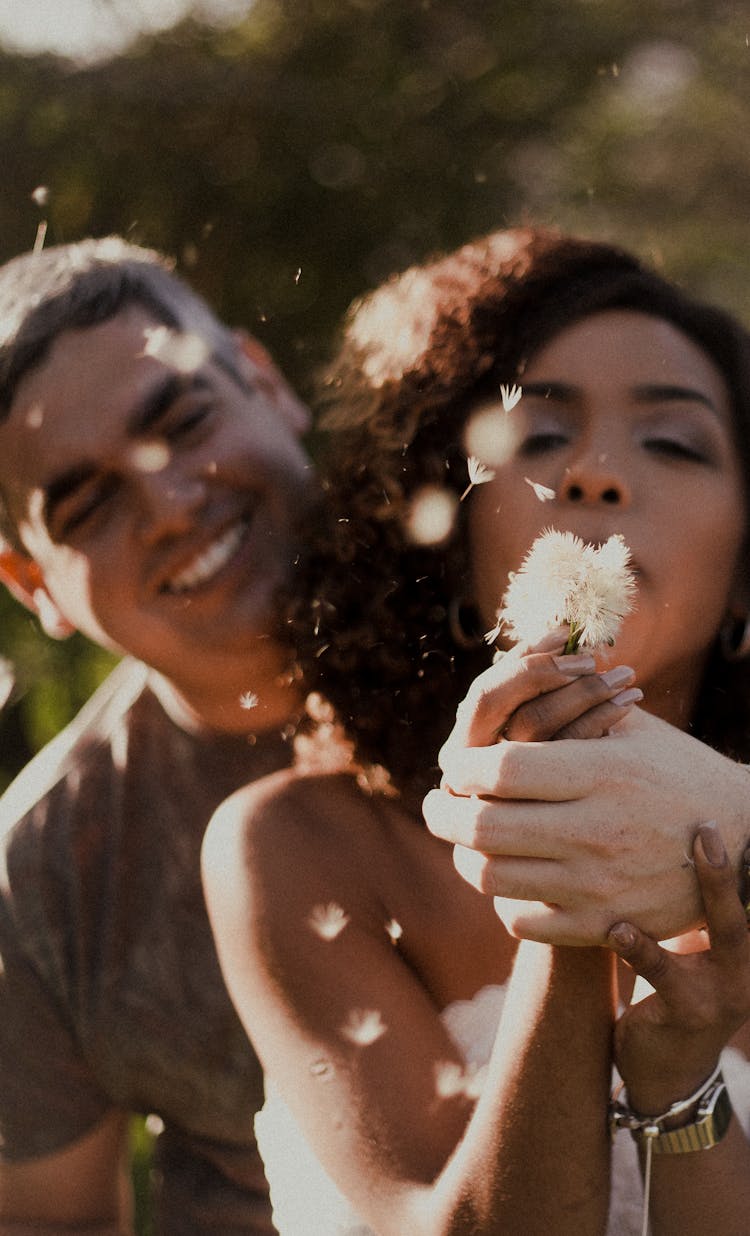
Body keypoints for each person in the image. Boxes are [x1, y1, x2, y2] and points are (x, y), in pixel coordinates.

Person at [202, 226, 750, 1234]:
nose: (592, 475)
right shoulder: (297, 847)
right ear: (450, 547)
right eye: (537, 438)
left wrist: (683, 1097)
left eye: (672, 442)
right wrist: (563, 867)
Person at [0, 236, 315, 1233]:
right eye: (89, 503)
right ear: (32, 584)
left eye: (185, 421)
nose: (173, 504)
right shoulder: (42, 877)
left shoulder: (528, 616)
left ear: (264, 383)